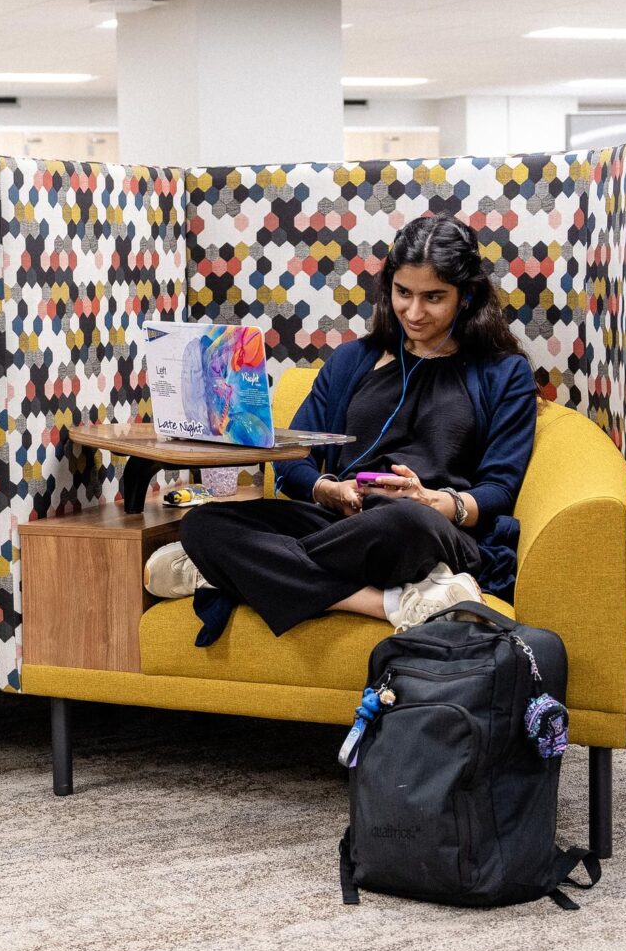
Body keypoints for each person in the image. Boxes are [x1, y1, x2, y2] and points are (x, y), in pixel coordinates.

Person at [143, 213, 538, 643]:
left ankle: (223, 573)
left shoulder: (503, 373)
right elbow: (293, 464)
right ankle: (388, 602)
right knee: (205, 524)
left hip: (429, 529)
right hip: (342, 526)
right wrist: (327, 490)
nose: (414, 311)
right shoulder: (353, 361)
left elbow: (500, 488)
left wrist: (436, 501)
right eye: (403, 293)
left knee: (403, 521)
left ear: (466, 297)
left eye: (434, 297)